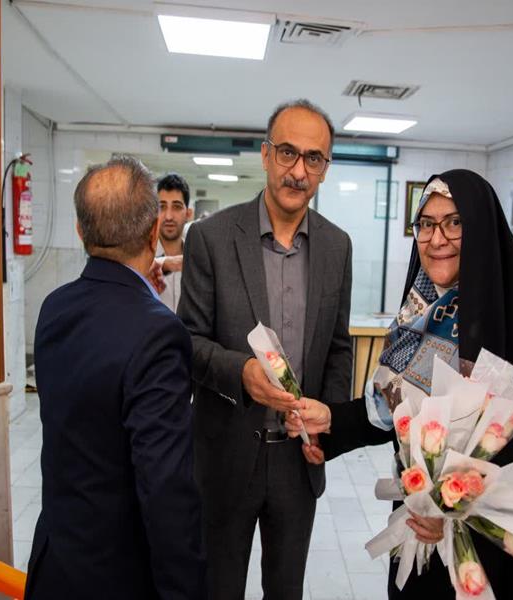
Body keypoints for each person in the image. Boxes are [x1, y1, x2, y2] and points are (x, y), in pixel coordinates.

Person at [289, 170, 513, 599]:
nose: (437, 239)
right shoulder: (419, 317)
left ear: (484, 232)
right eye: (426, 224)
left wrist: (457, 505)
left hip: (498, 552)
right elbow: (395, 410)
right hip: (419, 523)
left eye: (454, 223)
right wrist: (331, 422)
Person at [177, 99, 353, 600]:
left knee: (286, 590)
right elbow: (187, 341)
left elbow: (338, 348)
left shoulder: (337, 246)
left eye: (313, 158)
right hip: (227, 457)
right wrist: (241, 373)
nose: (298, 171)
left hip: (299, 461)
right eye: (287, 153)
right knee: (219, 589)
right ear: (265, 154)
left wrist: (329, 424)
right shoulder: (211, 238)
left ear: (325, 168)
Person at [25, 156, 206, 599]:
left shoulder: (54, 308)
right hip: (118, 576)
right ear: (152, 232)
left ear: (80, 232)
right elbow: (165, 490)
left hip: (56, 564)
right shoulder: (158, 333)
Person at [153, 173, 193, 312]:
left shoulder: (198, 259)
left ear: (188, 214)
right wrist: (164, 264)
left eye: (176, 207)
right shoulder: (140, 259)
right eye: (162, 207)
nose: (169, 216)